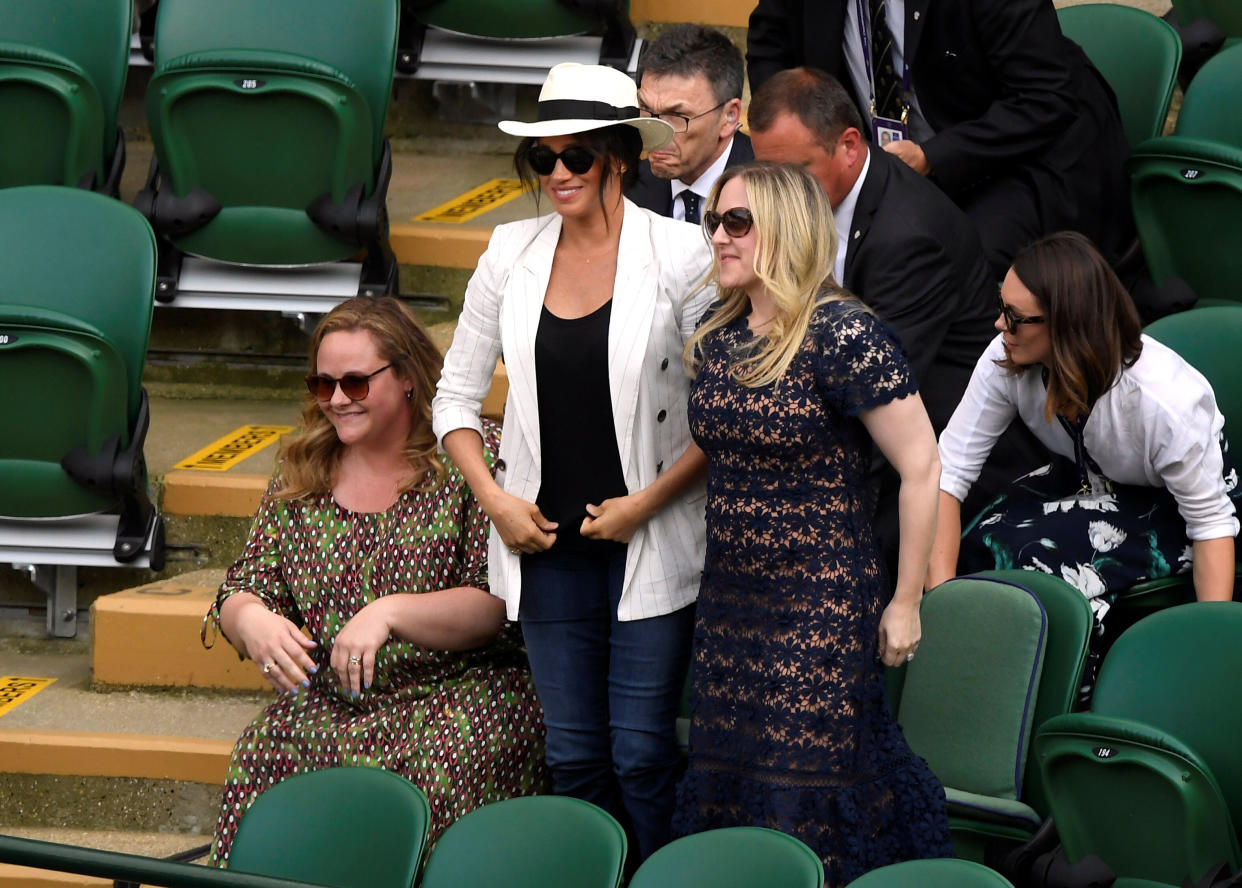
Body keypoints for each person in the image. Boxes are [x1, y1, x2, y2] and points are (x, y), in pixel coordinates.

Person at [432, 62, 715, 861]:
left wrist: (643, 505)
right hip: (545, 547)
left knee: (642, 755)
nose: (557, 174)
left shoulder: (683, 253)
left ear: (618, 158)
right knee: (576, 759)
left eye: (576, 158)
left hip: (648, 542)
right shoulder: (508, 250)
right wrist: (495, 499)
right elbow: (453, 397)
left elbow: (718, 414)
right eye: (542, 159)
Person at [674, 160, 952, 884]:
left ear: (788, 230)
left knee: (801, 788)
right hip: (732, 602)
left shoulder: (843, 333)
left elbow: (922, 466)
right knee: (733, 785)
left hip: (820, 602)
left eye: (739, 223)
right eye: (715, 221)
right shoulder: (718, 329)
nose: (719, 237)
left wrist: (906, 600)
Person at [201, 296, 548, 865]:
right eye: (323, 385)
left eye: (356, 383)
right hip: (339, 699)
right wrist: (250, 619)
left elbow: (498, 601)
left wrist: (389, 612)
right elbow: (248, 581)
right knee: (262, 751)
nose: (337, 400)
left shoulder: (472, 453)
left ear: (408, 377)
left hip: (460, 690)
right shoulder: (302, 467)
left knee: (434, 766)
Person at [928, 232, 1238, 625]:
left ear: (1068, 325)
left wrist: (1210, 642)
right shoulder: (1006, 353)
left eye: (1016, 318)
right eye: (1001, 307)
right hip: (1084, 474)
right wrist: (940, 605)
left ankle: (1064, 681)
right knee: (978, 539)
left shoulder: (1164, 402)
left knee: (1033, 561)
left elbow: (1211, 525)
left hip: (1171, 504)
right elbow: (948, 472)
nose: (999, 325)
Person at [746, 0, 1132, 277]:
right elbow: (769, 43)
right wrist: (799, 128)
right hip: (885, 158)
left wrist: (934, 157)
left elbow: (1046, 97)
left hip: (1018, 154)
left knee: (946, 260)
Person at [628, 24, 754, 223]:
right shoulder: (628, 190)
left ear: (729, 116)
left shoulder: (775, 196)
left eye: (677, 116)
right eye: (646, 109)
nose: (657, 133)